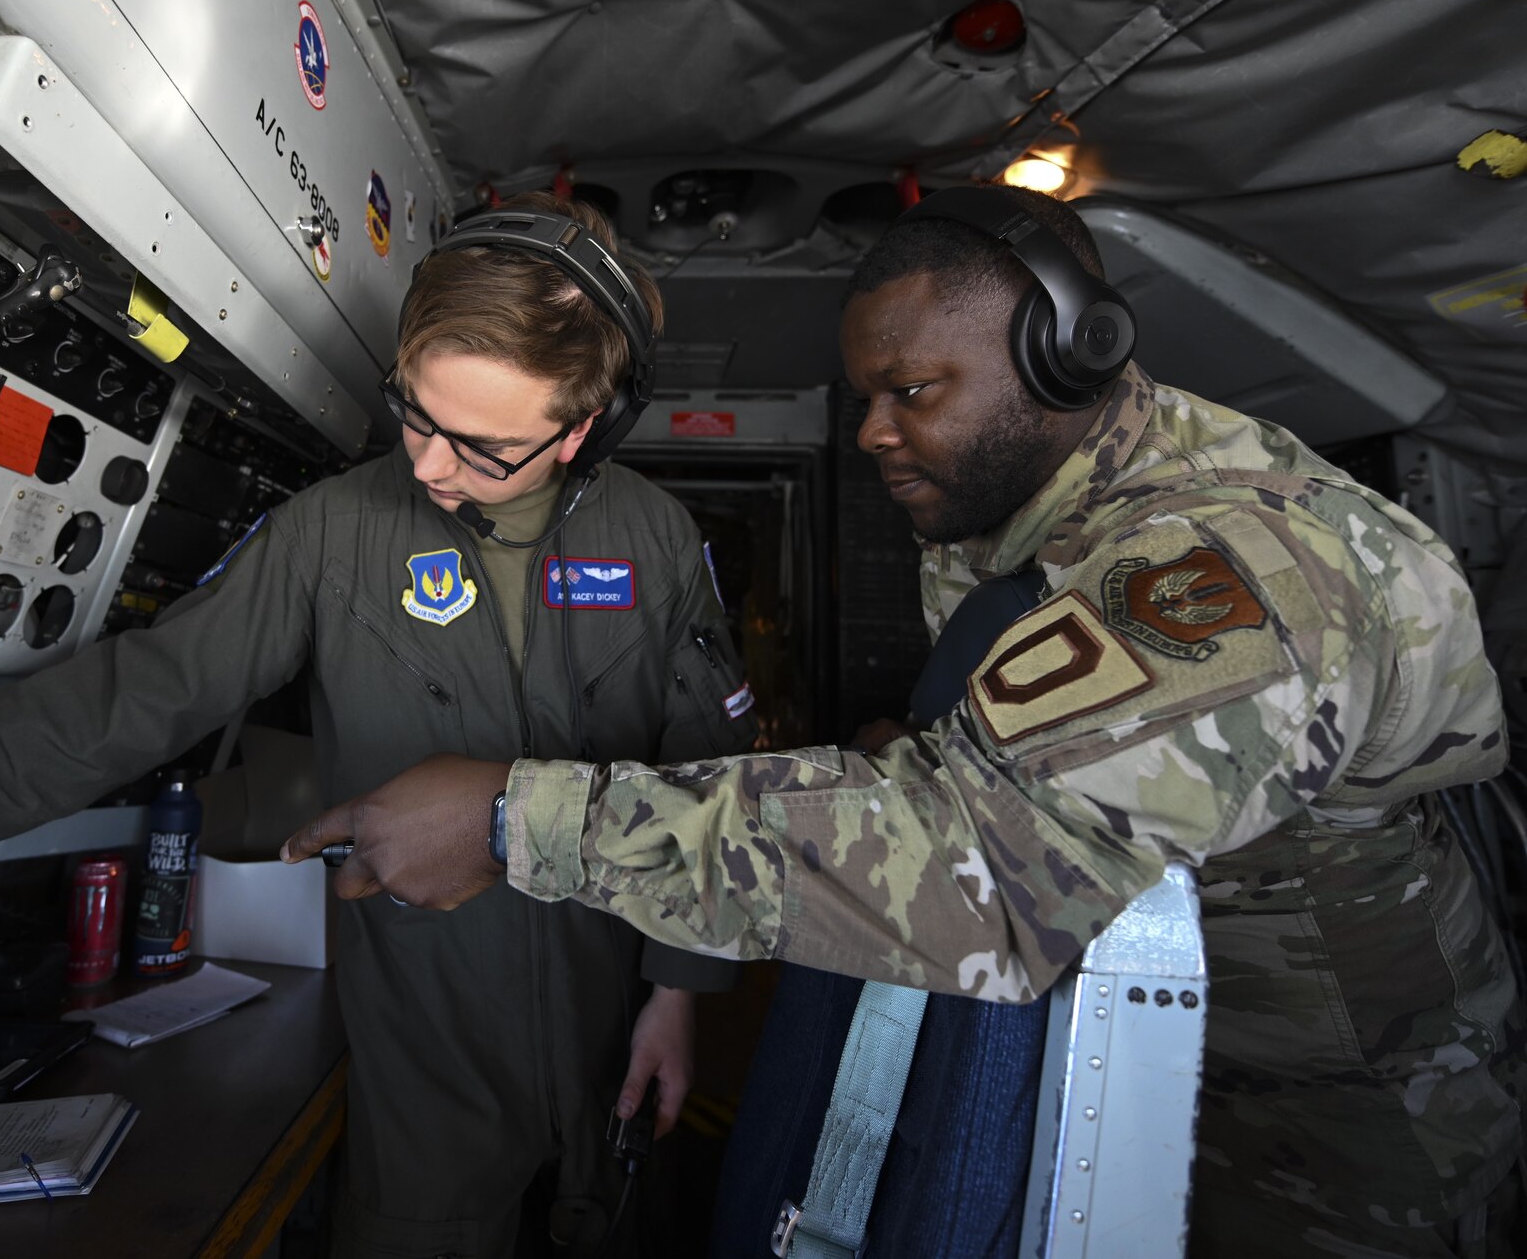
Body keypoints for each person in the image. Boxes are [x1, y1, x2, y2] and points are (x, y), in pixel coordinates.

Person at [282, 184, 1525, 1256]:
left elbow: (985, 870)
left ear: (1065, 355)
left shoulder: (1234, 565)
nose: (872, 430)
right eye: (864, 394)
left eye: (911, 388)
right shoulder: (1028, 516)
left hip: (1337, 1114)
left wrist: (513, 819)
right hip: (1150, 1052)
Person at [0, 192, 760, 1258]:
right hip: (425, 1028)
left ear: (587, 423)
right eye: (414, 414)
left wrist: (678, 992)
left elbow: (703, 774)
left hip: (616, 992)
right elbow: (127, 703)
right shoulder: (332, 532)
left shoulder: (653, 540)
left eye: (482, 447)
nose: (431, 466)